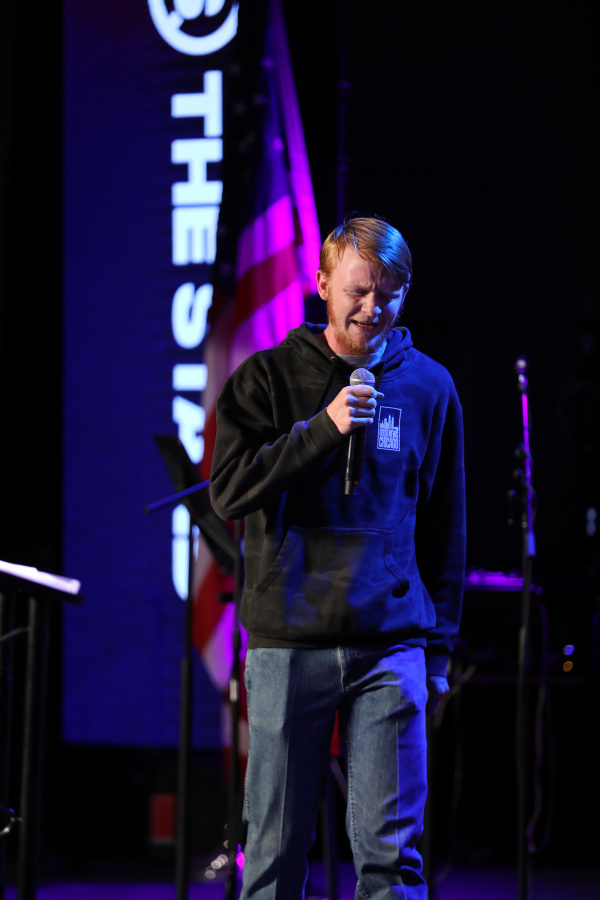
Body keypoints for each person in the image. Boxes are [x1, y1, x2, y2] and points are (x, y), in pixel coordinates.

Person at [210, 216, 466, 899]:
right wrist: (323, 428)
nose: (371, 308)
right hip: (289, 643)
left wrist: (438, 653)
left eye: (387, 293)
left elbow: (445, 528)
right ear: (322, 284)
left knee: (391, 861)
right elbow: (228, 492)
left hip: (391, 645)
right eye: (356, 291)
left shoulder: (430, 387)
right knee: (273, 856)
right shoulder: (266, 378)